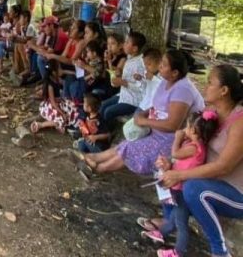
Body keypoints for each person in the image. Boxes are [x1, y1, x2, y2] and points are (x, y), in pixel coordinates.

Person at [158, 65, 243, 257]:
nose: (205, 86)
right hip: (214, 184)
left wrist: (180, 174)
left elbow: (224, 167)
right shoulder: (210, 113)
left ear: (224, 90)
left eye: (210, 82)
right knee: (169, 178)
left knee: (193, 188)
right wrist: (171, 165)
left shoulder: (239, 122)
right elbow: (194, 150)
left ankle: (219, 251)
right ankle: (167, 225)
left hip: (237, 193)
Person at [80, 50, 205, 176]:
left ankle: (97, 169)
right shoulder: (165, 81)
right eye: (161, 62)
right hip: (158, 131)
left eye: (164, 64)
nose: (160, 65)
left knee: (131, 149)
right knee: (127, 143)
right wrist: (142, 114)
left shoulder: (183, 90)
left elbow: (173, 125)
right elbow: (156, 106)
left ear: (175, 73)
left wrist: (144, 121)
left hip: (173, 138)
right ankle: (94, 158)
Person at [141, 111, 219, 257]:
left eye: (188, 127)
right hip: (180, 188)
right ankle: (160, 233)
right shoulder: (197, 145)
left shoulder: (194, 148)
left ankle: (178, 252)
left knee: (181, 224)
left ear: (195, 132)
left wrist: (177, 137)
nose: (185, 129)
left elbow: (176, 153)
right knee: (173, 219)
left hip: (182, 190)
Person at [99, 31, 147, 130]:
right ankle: (99, 131)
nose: (124, 45)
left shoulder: (140, 63)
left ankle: (106, 134)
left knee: (108, 111)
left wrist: (124, 83)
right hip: (124, 95)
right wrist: (109, 61)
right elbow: (115, 75)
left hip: (134, 101)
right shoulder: (129, 58)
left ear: (135, 48)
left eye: (127, 43)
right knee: (103, 105)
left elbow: (143, 87)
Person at [0, 4, 22, 74]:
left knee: (0, 44)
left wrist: (2, 39)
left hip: (15, 43)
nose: (9, 12)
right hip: (9, 40)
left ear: (16, 13)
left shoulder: (18, 23)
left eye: (11, 11)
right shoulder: (11, 21)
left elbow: (14, 37)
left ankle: (0, 66)